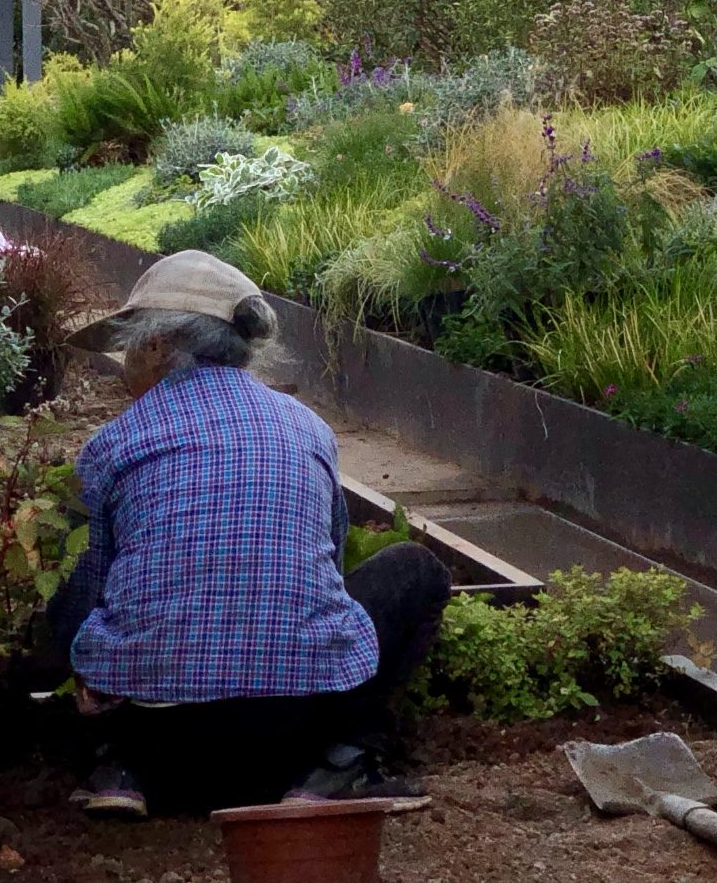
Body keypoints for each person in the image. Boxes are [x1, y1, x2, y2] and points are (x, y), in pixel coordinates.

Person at [46, 251, 451, 817]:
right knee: (415, 569)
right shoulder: (308, 428)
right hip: (294, 733)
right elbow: (331, 575)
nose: (125, 363)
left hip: (160, 745)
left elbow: (78, 591)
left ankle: (116, 768)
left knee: (89, 601)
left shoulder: (113, 445)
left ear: (156, 346)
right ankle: (340, 765)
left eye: (128, 346)